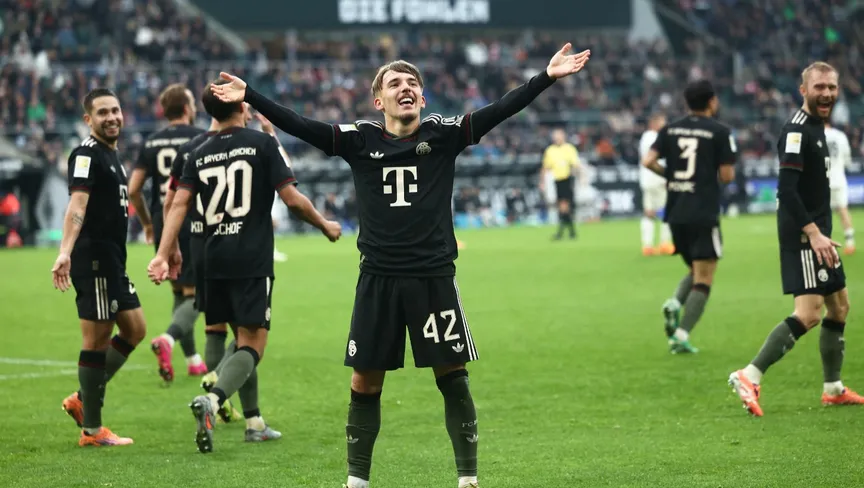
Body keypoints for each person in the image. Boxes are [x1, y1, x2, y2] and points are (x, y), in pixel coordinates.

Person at [211, 43, 591, 488]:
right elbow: (302, 125)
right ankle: (357, 482)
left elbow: (500, 109)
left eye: (412, 83)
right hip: (378, 280)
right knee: (364, 384)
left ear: (422, 98)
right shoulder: (359, 139)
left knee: (453, 378)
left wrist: (545, 77)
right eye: (394, 83)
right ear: (379, 101)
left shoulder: (445, 133)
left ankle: (468, 479)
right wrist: (251, 95)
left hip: (433, 279)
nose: (405, 88)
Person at [148, 79, 341, 452]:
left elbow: (178, 204)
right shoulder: (261, 144)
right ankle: (214, 399)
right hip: (249, 257)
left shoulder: (197, 152)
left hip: (209, 258)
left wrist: (162, 252)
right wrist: (324, 224)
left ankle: (254, 422)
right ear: (241, 106)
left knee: (230, 335)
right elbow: (292, 200)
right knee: (253, 344)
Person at [728, 62, 864, 417]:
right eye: (819, 87)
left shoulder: (817, 127)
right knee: (809, 314)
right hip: (805, 236)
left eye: (832, 87)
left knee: (840, 307)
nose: (827, 93)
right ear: (803, 90)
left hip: (821, 234)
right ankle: (749, 375)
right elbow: (786, 190)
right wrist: (813, 233)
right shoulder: (796, 130)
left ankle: (833, 388)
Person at [52, 88, 147, 447]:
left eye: (115, 111)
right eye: (103, 112)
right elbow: (77, 204)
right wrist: (65, 251)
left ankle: (83, 397)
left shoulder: (111, 155)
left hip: (113, 260)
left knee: (135, 329)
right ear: (88, 119)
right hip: (94, 259)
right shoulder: (86, 154)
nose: (112, 118)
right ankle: (92, 430)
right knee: (97, 340)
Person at [642, 80, 736, 354]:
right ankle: (681, 335)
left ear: (686, 102)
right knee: (705, 277)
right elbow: (727, 176)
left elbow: (648, 161)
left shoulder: (669, 130)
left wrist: (672, 176)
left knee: (695, 268)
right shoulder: (720, 132)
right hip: (702, 211)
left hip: (675, 212)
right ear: (712, 101)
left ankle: (675, 303)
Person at [129, 84, 207, 381]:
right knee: (197, 294)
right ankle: (169, 339)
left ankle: (192, 359)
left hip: (164, 220)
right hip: (194, 218)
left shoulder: (152, 142)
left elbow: (134, 189)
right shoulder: (200, 137)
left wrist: (148, 223)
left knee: (179, 289)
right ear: (187, 108)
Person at [638, 113, 674, 256]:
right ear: (654, 123)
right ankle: (665, 244)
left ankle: (647, 246)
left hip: (646, 180)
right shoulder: (657, 137)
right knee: (667, 211)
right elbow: (660, 159)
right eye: (662, 122)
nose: (665, 125)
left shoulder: (645, 137)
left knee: (649, 213)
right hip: (658, 178)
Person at [539, 128, 581, 240]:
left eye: (558, 136)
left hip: (567, 179)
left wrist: (577, 177)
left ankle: (562, 232)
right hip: (557, 181)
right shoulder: (550, 150)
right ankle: (571, 232)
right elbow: (545, 167)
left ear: (563, 136)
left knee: (564, 206)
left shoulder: (569, 148)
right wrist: (542, 182)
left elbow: (575, 164)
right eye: (555, 136)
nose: (556, 138)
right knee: (563, 207)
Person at [824, 122, 855, 254]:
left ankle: (826, 244)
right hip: (839, 179)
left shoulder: (815, 134)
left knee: (823, 214)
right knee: (843, 210)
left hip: (822, 181)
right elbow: (847, 159)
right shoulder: (840, 136)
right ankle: (850, 243)